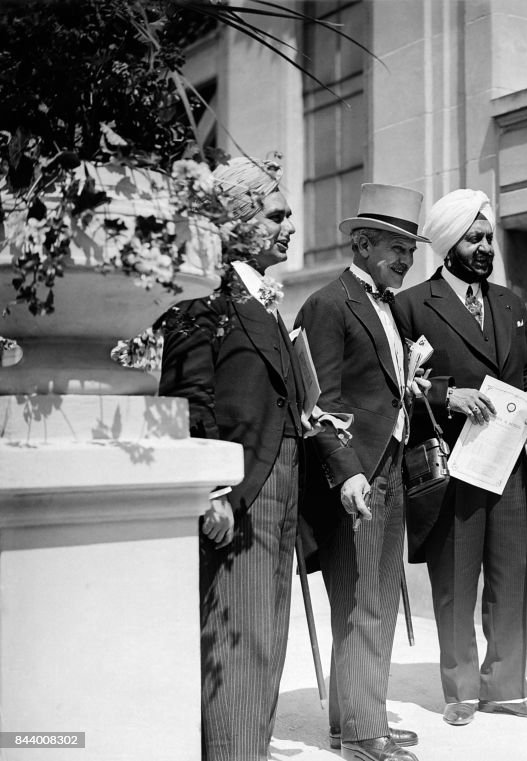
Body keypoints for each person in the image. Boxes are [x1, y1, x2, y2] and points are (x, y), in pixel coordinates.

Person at [391, 189, 527, 726]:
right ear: (448, 244)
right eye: (474, 238)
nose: (486, 247)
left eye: (489, 238)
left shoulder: (510, 303)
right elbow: (396, 380)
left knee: (511, 574)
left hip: (509, 461)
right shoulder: (413, 304)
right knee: (456, 578)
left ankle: (505, 686)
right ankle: (460, 689)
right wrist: (445, 394)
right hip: (452, 463)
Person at [158, 155, 303, 760]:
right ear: (238, 222)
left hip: (283, 480)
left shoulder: (267, 300)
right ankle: (233, 752)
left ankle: (253, 745)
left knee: (268, 630)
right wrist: (212, 490)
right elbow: (190, 397)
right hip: (242, 487)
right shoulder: (204, 300)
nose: (290, 225)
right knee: (238, 633)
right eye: (277, 213)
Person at [294, 184, 429, 761]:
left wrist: (409, 382)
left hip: (391, 466)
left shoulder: (390, 306)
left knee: (383, 601)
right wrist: (347, 474)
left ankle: (355, 721)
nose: (406, 259)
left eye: (411, 249)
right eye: (397, 247)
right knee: (359, 603)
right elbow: (316, 403)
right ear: (363, 242)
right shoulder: (328, 304)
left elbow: (376, 386)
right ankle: (364, 735)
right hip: (356, 476)